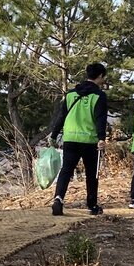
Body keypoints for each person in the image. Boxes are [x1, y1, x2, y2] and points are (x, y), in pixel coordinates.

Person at [48, 62, 109, 216]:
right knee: (91, 174)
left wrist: (54, 135)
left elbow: (61, 116)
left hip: (70, 139)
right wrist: (102, 138)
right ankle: (92, 205)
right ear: (100, 76)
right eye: (103, 77)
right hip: (90, 141)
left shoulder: (70, 94)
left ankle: (58, 198)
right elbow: (100, 119)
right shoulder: (99, 96)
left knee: (66, 171)